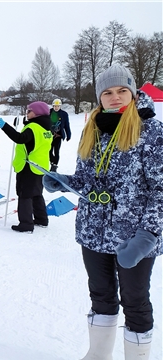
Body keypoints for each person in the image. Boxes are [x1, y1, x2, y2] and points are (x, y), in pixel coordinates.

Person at [43, 64, 163, 360]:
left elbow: (161, 190)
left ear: (133, 93)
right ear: (100, 97)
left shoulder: (152, 131)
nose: (115, 97)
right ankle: (98, 355)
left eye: (122, 90)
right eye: (107, 92)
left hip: (133, 237)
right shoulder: (93, 129)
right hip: (93, 232)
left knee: (134, 301)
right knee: (101, 297)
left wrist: (147, 235)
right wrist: (65, 182)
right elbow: (87, 180)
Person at [0, 101, 52, 233]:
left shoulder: (33, 127)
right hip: (41, 166)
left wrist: (4, 126)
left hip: (28, 166)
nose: (27, 113)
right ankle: (41, 219)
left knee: (25, 194)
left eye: (29, 111)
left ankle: (26, 224)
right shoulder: (46, 128)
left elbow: (20, 138)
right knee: (37, 193)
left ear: (37, 113)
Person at [49, 99, 71, 171]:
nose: (56, 108)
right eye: (55, 106)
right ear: (53, 106)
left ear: (60, 106)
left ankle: (55, 165)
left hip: (58, 135)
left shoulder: (64, 114)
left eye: (58, 106)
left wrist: (68, 134)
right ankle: (52, 162)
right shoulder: (49, 112)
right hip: (49, 135)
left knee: (56, 151)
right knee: (49, 150)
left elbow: (67, 125)